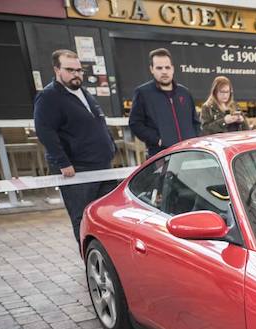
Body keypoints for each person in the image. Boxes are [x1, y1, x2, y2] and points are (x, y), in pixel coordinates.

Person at [33, 49, 117, 243]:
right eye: (70, 70)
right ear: (57, 70)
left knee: (108, 215)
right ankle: (90, 262)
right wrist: (63, 162)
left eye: (79, 70)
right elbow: (45, 131)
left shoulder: (83, 92)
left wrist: (111, 146)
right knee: (82, 218)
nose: (76, 74)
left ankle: (106, 260)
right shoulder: (49, 96)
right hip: (77, 170)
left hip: (102, 165)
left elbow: (97, 122)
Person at [129, 48, 200, 157]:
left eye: (167, 67)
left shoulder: (184, 93)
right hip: (161, 155)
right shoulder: (143, 93)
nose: (164, 71)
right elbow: (135, 123)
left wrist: (194, 139)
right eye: (159, 68)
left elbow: (195, 122)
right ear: (151, 69)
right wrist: (158, 140)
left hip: (189, 153)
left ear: (172, 69)